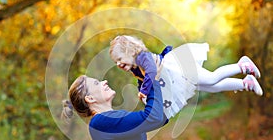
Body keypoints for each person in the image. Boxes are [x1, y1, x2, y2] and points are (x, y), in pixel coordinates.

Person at [109, 35, 263, 119]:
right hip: (180, 77)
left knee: (211, 78)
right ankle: (245, 83)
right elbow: (142, 80)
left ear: (130, 52)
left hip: (180, 66)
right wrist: (143, 92)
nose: (118, 64)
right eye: (115, 62)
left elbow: (151, 73)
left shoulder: (143, 57)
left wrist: (144, 90)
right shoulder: (136, 68)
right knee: (212, 87)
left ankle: (242, 66)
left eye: (120, 59)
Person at [62, 56, 167, 140]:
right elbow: (153, 118)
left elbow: (160, 118)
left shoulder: (110, 118)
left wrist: (143, 79)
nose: (104, 82)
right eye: (97, 83)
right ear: (90, 99)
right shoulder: (101, 122)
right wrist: (151, 78)